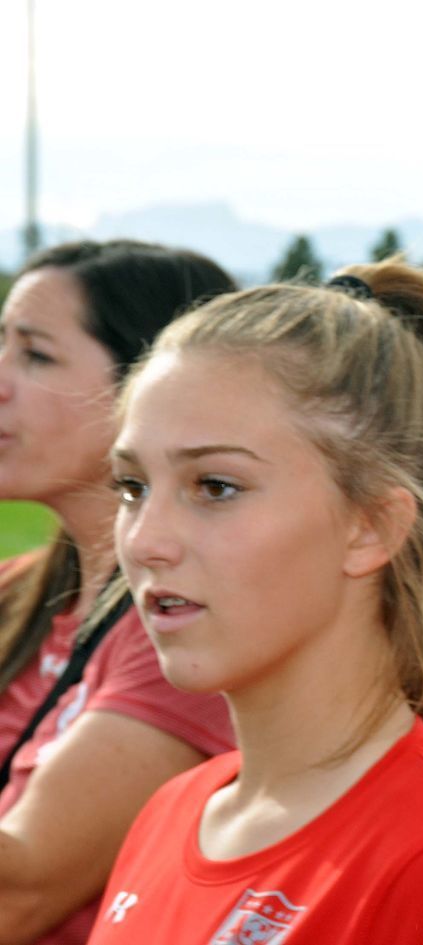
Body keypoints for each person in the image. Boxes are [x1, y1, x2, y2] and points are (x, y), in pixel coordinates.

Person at [86, 260, 423, 944]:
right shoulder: (172, 810)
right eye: (131, 486)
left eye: (215, 486)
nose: (145, 541)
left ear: (371, 526)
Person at [0, 240, 237, 945]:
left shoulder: (182, 635)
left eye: (35, 356)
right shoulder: (18, 591)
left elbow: (18, 896)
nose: (1, 379)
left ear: (149, 388)